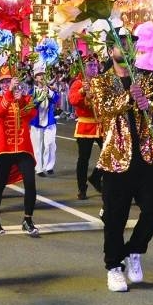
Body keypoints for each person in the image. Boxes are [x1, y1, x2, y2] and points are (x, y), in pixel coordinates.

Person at [86, 34, 153, 292]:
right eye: (122, 44)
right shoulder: (101, 81)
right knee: (115, 218)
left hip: (146, 154)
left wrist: (148, 102)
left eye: (131, 44)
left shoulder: (147, 76)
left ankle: (134, 251)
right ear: (111, 51)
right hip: (116, 158)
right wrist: (129, 98)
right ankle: (113, 267)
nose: (128, 48)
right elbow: (103, 108)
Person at [0, 67, 40, 236]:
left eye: (9, 81)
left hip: (24, 148)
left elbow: (31, 114)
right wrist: (10, 94)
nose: (6, 84)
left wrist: (22, 101)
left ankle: (28, 219)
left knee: (31, 184)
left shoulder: (25, 98)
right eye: (3, 82)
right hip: (4, 150)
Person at [68, 55, 103, 200]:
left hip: (101, 124)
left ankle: (96, 176)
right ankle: (82, 188)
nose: (93, 68)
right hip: (85, 125)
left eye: (95, 65)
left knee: (107, 154)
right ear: (84, 67)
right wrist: (83, 91)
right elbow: (72, 99)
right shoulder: (78, 83)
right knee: (83, 159)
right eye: (90, 65)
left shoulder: (101, 82)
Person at [31, 61, 59, 177]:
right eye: (39, 75)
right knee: (37, 146)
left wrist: (49, 93)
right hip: (36, 122)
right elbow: (31, 105)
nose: (42, 77)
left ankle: (49, 166)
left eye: (43, 74)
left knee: (50, 144)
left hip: (49, 121)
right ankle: (39, 168)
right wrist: (38, 99)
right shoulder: (32, 91)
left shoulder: (49, 88)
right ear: (35, 77)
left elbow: (56, 99)